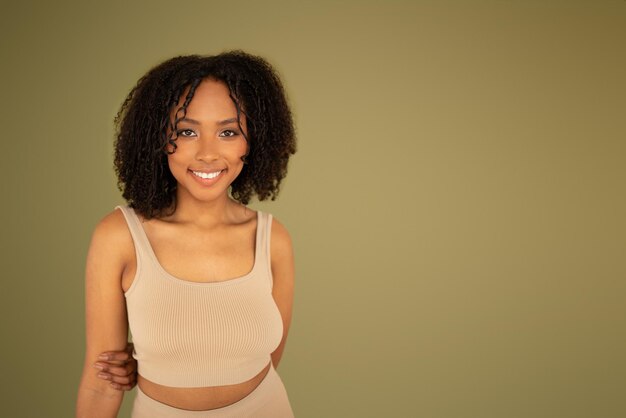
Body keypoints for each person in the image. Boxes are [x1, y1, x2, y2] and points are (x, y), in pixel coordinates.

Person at [76, 51, 296, 417]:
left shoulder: (273, 239)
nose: (207, 153)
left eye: (228, 132)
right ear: (158, 139)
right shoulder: (119, 236)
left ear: (252, 141)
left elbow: (267, 360)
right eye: (187, 131)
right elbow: (101, 383)